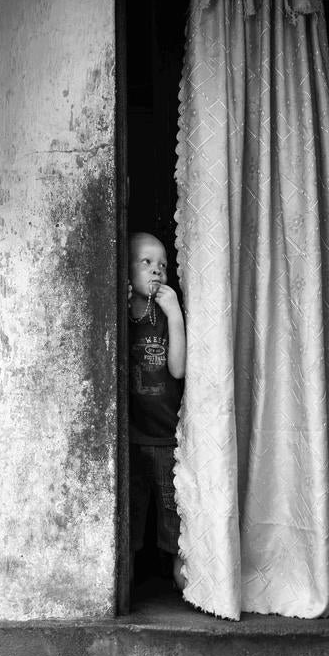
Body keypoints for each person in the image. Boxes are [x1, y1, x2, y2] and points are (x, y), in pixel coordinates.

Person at [128, 231, 186, 593]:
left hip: (166, 434)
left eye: (162, 266)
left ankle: (181, 574)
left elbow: (178, 369)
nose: (156, 272)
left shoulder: (164, 315)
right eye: (146, 263)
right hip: (132, 436)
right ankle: (127, 574)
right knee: (132, 511)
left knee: (172, 514)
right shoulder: (123, 313)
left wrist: (175, 313)